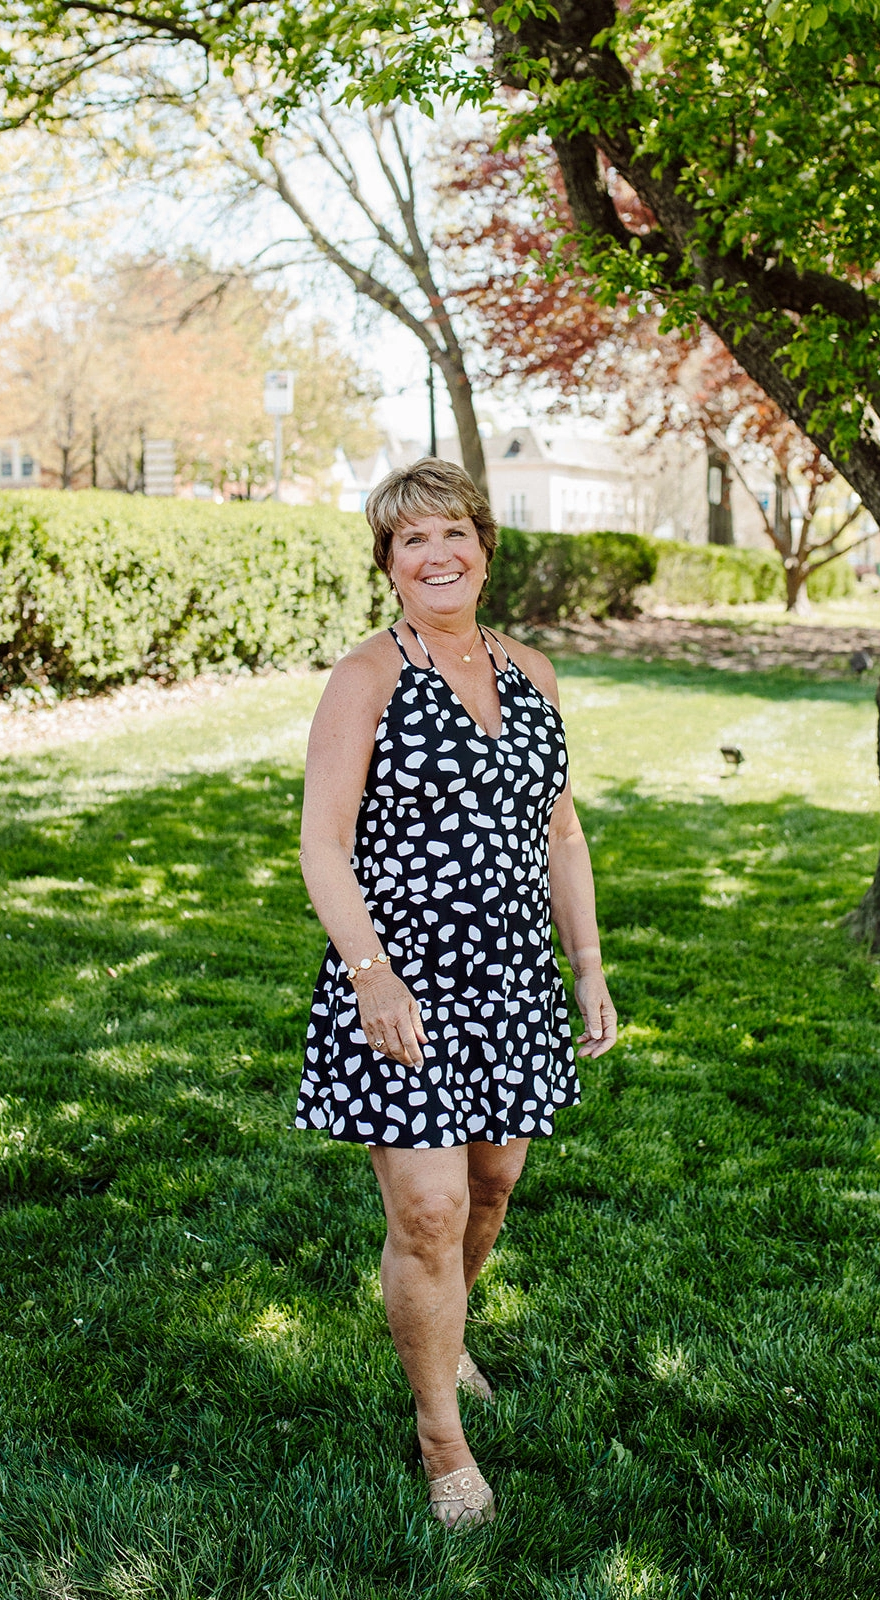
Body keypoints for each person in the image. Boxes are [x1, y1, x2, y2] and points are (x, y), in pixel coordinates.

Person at [296, 458, 617, 1530]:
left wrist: (586, 966)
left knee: (486, 1195)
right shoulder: (366, 675)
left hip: (513, 979)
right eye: (410, 541)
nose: (436, 556)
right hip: (403, 980)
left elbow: (559, 832)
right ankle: (441, 1436)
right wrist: (369, 974)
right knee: (426, 1208)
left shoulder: (532, 669)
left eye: (452, 534)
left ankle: (450, 1328)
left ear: (484, 545)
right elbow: (322, 845)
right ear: (387, 565)